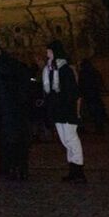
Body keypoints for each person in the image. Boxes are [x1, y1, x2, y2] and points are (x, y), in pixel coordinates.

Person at [0, 39, 31, 180]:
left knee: (14, 139)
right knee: (3, 140)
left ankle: (18, 167)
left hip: (11, 108)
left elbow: (11, 77)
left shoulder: (7, 63)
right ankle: (6, 167)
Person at [43, 42, 86, 182]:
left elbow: (72, 92)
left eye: (49, 51)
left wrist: (73, 110)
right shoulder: (48, 70)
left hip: (67, 110)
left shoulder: (65, 69)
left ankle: (79, 170)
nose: (47, 54)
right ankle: (73, 169)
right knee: (65, 140)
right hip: (57, 111)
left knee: (71, 139)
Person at [78, 60, 107, 133]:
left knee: (93, 110)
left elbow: (81, 84)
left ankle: (97, 126)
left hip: (88, 94)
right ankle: (99, 126)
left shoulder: (83, 73)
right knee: (97, 110)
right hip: (95, 93)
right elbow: (99, 81)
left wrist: (81, 92)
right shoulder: (94, 71)